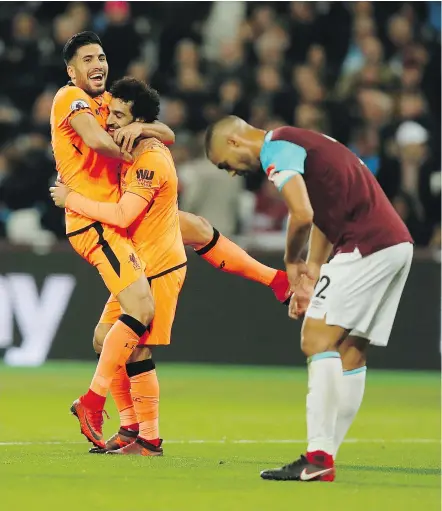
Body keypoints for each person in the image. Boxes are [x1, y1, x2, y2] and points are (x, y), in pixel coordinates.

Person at [51, 75, 290, 454]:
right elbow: (163, 134)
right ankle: (131, 430)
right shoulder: (129, 141)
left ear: (135, 121)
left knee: (135, 346)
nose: (109, 121)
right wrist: (146, 126)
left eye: (118, 116)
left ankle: (145, 435)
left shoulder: (148, 159)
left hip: (158, 266)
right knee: (106, 339)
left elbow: (124, 214)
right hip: (140, 259)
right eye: (109, 113)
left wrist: (71, 199)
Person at [204, 115, 413, 482]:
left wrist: (290, 260)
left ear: (234, 142)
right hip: (395, 243)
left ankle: (318, 458)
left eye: (225, 165)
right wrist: (313, 267)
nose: (233, 174)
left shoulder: (276, 148)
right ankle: (325, 456)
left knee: (316, 339)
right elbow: (324, 210)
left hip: (366, 243)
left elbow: (302, 213)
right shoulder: (307, 140)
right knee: (350, 349)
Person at [50, 31, 174, 449]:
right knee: (142, 306)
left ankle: (135, 430)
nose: (97, 64)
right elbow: (97, 140)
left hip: (113, 227)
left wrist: (141, 127)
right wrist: (136, 151)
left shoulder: (109, 104)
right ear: (72, 71)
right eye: (87, 59)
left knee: (110, 337)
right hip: (93, 221)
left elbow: (168, 132)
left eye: (101, 56)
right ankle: (91, 399)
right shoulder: (69, 98)